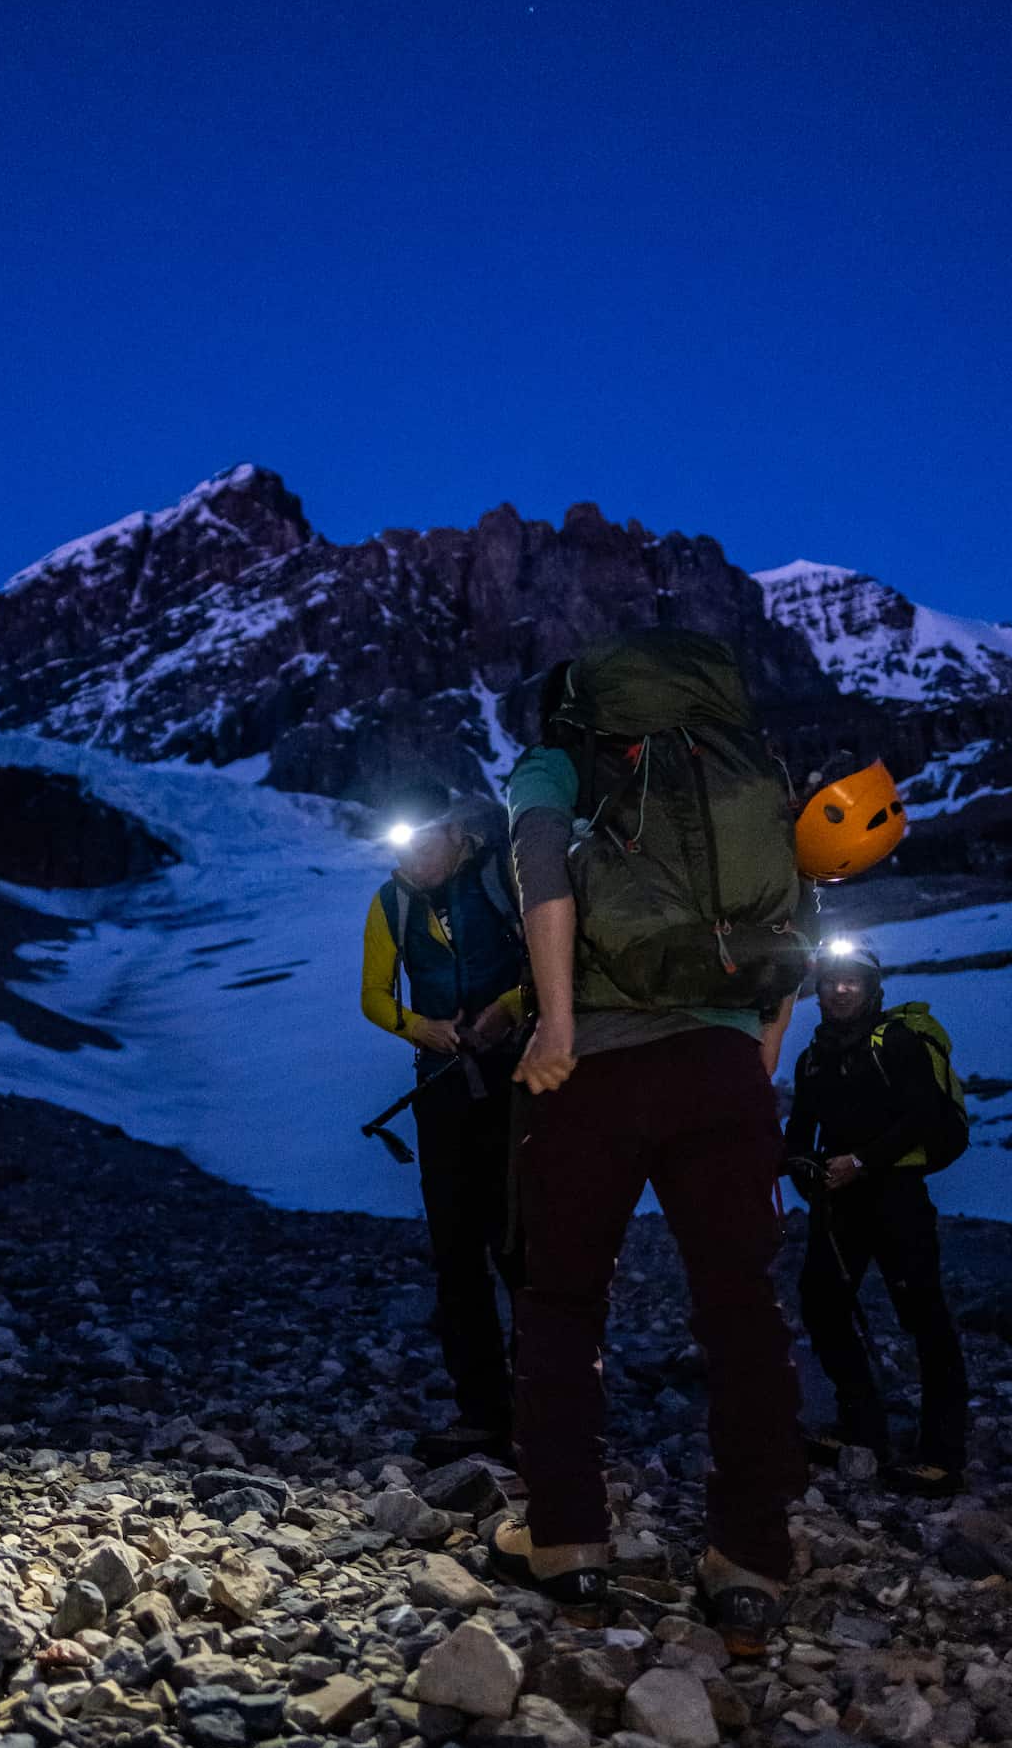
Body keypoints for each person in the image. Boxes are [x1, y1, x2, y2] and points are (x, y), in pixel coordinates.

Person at [487, 631, 808, 1653]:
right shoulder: (739, 765)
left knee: (561, 1296)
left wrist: (558, 1022)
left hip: (595, 1068)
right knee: (741, 1308)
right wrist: (751, 1055)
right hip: (718, 1060)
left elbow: (543, 870)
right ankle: (748, 1559)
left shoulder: (556, 760)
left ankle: (566, 1537)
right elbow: (792, 915)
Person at [360, 806, 526, 1465]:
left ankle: (544, 1403)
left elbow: (552, 959)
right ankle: (483, 1411)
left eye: (425, 844)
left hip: (519, 1079)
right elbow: (373, 995)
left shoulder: (502, 876)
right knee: (456, 1252)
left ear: (456, 839)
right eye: (403, 849)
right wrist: (420, 1028)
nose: (413, 860)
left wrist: (509, 1011)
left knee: (520, 1245)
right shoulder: (391, 900)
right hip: (445, 1086)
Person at [785, 940, 969, 1496]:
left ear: (871, 989)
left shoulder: (900, 1042)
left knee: (923, 1316)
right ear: (818, 990)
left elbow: (922, 1116)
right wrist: (804, 1171)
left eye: (853, 982)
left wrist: (861, 1162)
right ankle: (861, 1428)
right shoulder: (814, 1056)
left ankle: (942, 1454)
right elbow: (799, 1129)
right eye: (831, 981)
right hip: (838, 1199)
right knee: (822, 1303)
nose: (840, 990)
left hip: (895, 1195)